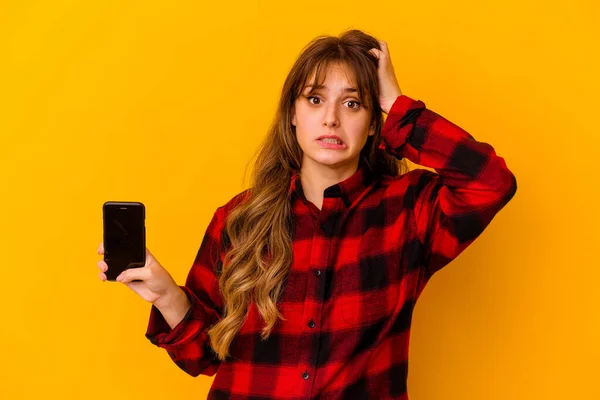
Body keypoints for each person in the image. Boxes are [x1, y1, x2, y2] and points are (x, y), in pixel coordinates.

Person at [97, 29, 517, 399]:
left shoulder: (408, 211)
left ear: (375, 123)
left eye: (353, 104)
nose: (331, 118)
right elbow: (202, 358)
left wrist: (397, 103)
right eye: (315, 100)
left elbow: (490, 182)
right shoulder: (238, 219)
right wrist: (167, 295)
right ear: (293, 116)